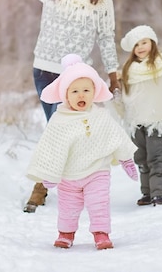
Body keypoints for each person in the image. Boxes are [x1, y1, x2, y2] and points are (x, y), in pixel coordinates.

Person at [0, 0, 121, 213]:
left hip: (76, 78)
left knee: (69, 131)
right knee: (55, 130)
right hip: (45, 72)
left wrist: (113, 72)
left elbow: (106, 36)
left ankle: (64, 185)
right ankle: (46, 185)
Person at [26, 54, 137, 250]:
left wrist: (126, 159)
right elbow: (52, 146)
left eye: (86, 90)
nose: (81, 95)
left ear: (94, 92)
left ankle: (101, 234)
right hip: (69, 176)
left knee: (99, 203)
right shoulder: (59, 120)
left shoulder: (100, 116)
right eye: (75, 91)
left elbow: (115, 136)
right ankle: (65, 233)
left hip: (97, 172)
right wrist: (49, 174)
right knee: (68, 206)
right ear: (65, 95)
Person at [118, 25, 162, 206]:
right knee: (141, 158)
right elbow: (126, 97)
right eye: (136, 44)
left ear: (152, 42)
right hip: (137, 121)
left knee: (156, 158)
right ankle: (147, 192)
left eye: (144, 42)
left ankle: (159, 193)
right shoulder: (129, 70)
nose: (140, 47)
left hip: (158, 121)